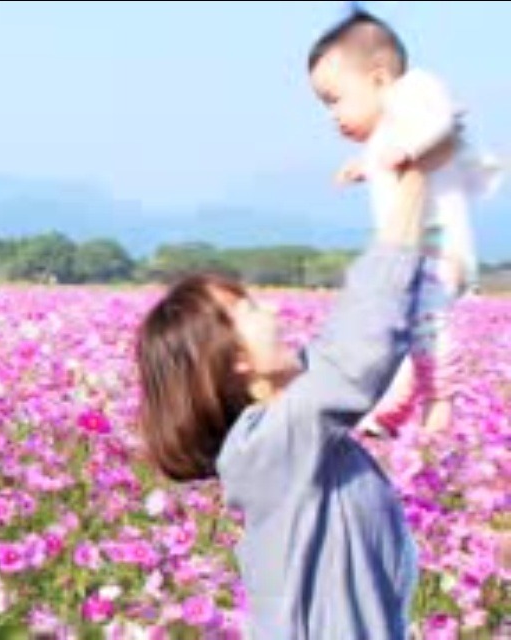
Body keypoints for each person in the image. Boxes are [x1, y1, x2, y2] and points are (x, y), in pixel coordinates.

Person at [134, 138, 454, 637]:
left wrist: (393, 185)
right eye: (249, 309)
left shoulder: (291, 430)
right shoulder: (271, 444)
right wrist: (415, 180)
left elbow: (346, 351)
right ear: (235, 358)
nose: (274, 310)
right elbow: (359, 352)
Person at [305, 5, 502, 435]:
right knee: (410, 331)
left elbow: (443, 122)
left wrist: (408, 151)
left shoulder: (413, 93)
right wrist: (367, 165)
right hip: (417, 250)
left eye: (335, 99)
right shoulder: (388, 132)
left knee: (428, 328)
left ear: (379, 80)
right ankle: (394, 411)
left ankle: (438, 411)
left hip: (437, 246)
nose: (332, 115)